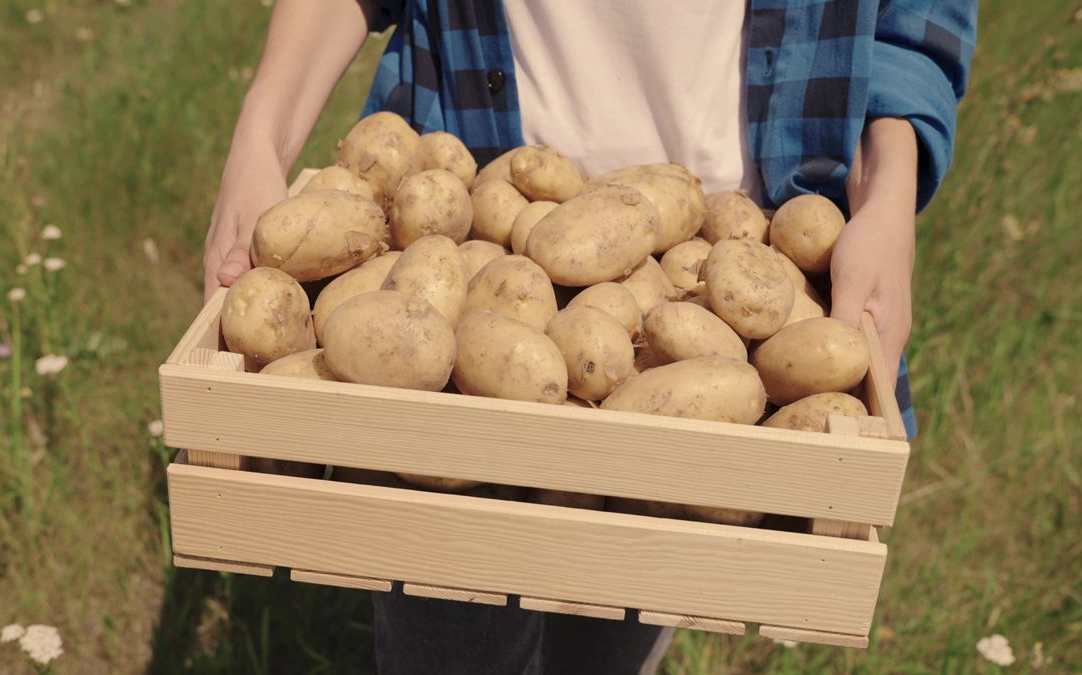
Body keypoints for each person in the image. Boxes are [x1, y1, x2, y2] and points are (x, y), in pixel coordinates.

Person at [203, 1, 977, 672]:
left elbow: (915, 17)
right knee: (447, 637)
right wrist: (261, 140)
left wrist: (888, 191)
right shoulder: (448, 256)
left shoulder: (719, 301)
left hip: (729, 237)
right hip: (472, 202)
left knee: (614, 636)